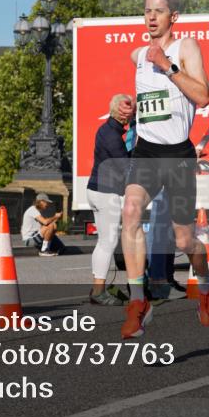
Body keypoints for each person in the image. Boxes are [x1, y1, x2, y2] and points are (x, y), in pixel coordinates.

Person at [119, 0, 209, 339]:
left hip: (177, 155)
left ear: (173, 17)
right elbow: (144, 97)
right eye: (147, 11)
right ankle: (137, 301)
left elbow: (203, 96)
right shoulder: (137, 55)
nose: (151, 17)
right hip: (147, 151)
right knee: (130, 210)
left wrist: (168, 66)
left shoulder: (185, 47)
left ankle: (204, 283)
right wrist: (124, 105)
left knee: (184, 241)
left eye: (159, 11)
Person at [86, 94, 133, 305]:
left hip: (95, 190)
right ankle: (98, 292)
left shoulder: (106, 130)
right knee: (108, 242)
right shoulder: (113, 136)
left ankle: (98, 287)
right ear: (123, 115)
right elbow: (125, 167)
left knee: (103, 241)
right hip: (106, 193)